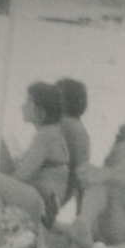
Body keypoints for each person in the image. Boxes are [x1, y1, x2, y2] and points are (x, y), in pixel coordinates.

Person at [0, 81, 72, 226]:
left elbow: (20, 176)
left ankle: (0, 221)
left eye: (28, 102)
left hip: (41, 202)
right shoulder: (51, 132)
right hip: (38, 197)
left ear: (40, 110)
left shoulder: (45, 136)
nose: (23, 106)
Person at [40, 117, 125, 248]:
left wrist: (107, 174)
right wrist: (103, 174)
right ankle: (83, 226)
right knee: (101, 183)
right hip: (118, 223)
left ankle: (100, 246)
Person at [56, 77, 92, 206]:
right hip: (63, 192)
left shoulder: (65, 126)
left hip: (52, 191)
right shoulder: (80, 128)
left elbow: (80, 172)